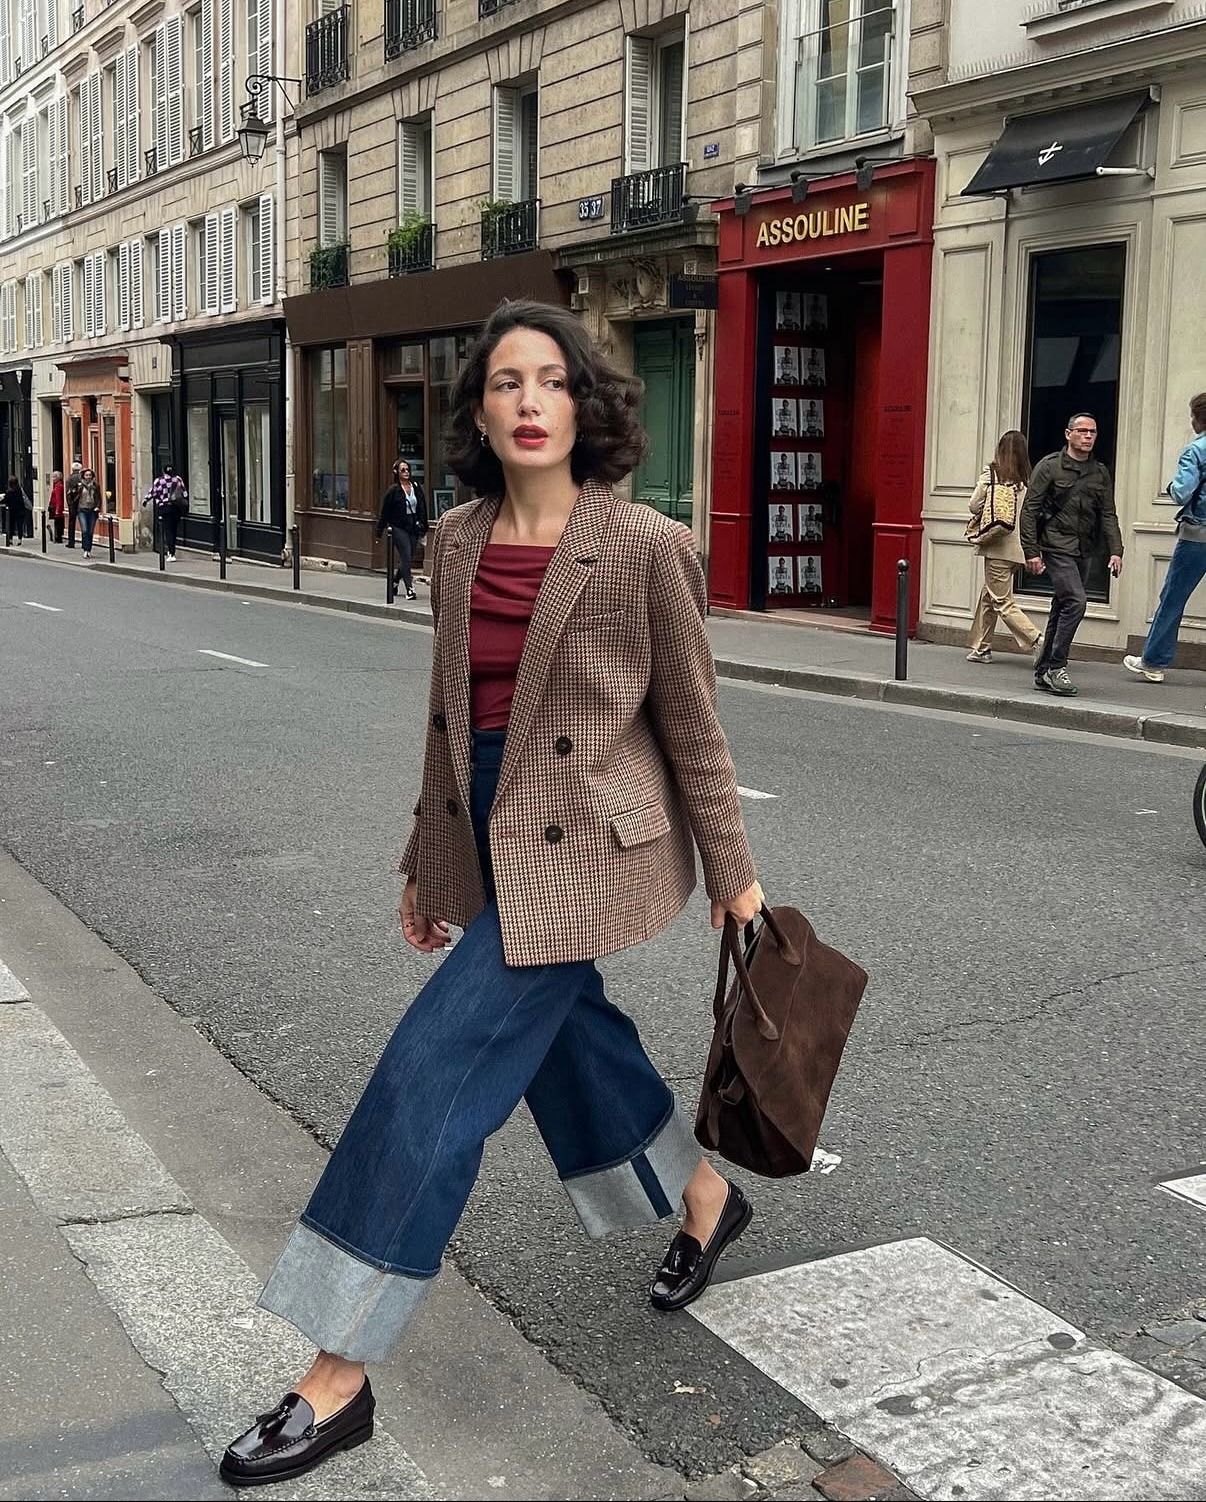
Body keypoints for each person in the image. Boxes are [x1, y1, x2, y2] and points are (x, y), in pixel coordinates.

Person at [219, 299, 764, 1489]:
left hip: (591, 846)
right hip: (485, 814)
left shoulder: (647, 546)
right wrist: (425, 855)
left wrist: (735, 876)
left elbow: (694, 730)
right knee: (567, 1042)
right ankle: (704, 1192)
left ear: (587, 404)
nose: (529, 400)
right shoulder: (459, 538)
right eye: (506, 381)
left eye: (552, 380)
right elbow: (447, 716)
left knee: (437, 1068)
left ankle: (338, 1367)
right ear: (477, 408)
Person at [1021, 412, 1123, 697]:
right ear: (1068, 434)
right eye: (1082, 431)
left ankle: (1043, 671)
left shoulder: (1099, 472)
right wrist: (1032, 551)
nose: (1088, 436)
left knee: (1062, 605)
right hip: (1056, 547)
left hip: (1084, 549)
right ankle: (1057, 666)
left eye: (1092, 432)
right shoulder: (1050, 467)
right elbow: (1029, 510)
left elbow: (1108, 513)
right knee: (1077, 602)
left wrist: (1116, 550)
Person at [1123, 392, 1206, 684]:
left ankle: (1153, 661)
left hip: (1198, 534)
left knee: (1173, 598)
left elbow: (1182, 492)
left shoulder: (1195, 450)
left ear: (1197, 418)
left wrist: (1172, 486)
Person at [965, 430, 1043, 665]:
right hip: (1019, 549)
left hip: (997, 547)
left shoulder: (992, 474)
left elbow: (973, 505)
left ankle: (1038, 640)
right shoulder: (1028, 480)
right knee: (989, 595)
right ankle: (981, 647)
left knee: (1002, 601)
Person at [374, 458, 428, 600]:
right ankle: (410, 589)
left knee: (408, 558)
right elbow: (385, 512)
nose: (406, 472)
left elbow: (422, 506)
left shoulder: (415, 487)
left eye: (407, 469)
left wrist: (424, 524)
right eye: (402, 470)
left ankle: (395, 581)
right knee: (405, 555)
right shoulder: (393, 490)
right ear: (396, 472)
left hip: (413, 526)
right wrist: (379, 531)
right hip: (398, 527)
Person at [145, 464, 189, 561]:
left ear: (163, 471)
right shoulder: (178, 479)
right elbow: (185, 493)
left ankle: (171, 553)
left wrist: (146, 501)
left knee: (168, 530)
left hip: (164, 508)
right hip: (176, 508)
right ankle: (172, 550)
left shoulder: (159, 481)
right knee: (173, 530)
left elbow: (152, 493)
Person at [75, 468, 102, 559]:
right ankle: (85, 549)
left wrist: (98, 506)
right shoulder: (80, 486)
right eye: (86, 475)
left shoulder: (95, 486)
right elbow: (74, 497)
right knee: (85, 530)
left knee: (90, 531)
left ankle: (89, 550)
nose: (88, 477)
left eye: (90, 475)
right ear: (83, 476)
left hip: (92, 510)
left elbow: (99, 498)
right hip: (82, 510)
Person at [2, 475, 26, 545]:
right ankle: (19, 540)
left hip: (11, 511)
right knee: (19, 526)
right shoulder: (20, 491)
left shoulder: (8, 492)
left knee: (11, 526)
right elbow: (22, 501)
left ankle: (10, 540)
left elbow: (5, 501)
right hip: (20, 510)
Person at [65, 460, 83, 549]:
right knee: (83, 523)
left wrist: (69, 504)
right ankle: (84, 542)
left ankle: (71, 542)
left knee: (72, 523)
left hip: (73, 503)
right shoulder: (82, 478)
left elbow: (68, 493)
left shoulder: (69, 479)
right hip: (81, 503)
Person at [47, 470, 65, 544]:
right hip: (55, 507)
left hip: (56, 507)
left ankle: (58, 538)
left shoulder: (58, 486)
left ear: (58, 478)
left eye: (54, 477)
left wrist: (58, 510)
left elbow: (59, 499)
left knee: (58, 523)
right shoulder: (57, 485)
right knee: (57, 523)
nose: (53, 479)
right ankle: (57, 537)